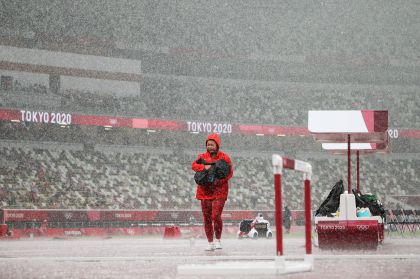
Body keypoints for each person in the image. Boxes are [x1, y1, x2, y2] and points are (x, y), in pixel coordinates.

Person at [192, 133, 233, 251]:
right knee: (207, 218)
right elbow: (193, 165)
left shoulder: (224, 158)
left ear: (217, 145)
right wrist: (204, 168)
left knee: (216, 216)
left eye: (212, 144)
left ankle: (218, 240)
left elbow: (230, 173)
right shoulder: (202, 156)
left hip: (219, 191)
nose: (210, 147)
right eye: (208, 144)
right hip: (204, 191)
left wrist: (217, 182)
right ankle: (210, 243)